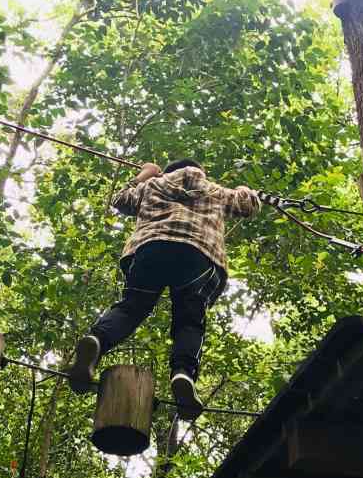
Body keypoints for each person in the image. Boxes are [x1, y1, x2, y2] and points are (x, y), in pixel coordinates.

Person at [68, 158, 261, 418]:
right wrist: (244, 190)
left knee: (132, 308)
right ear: (202, 173)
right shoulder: (213, 190)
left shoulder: (152, 186)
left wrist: (143, 176)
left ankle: (97, 340)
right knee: (189, 319)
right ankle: (182, 373)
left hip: (152, 249)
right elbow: (247, 204)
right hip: (198, 257)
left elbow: (121, 200)